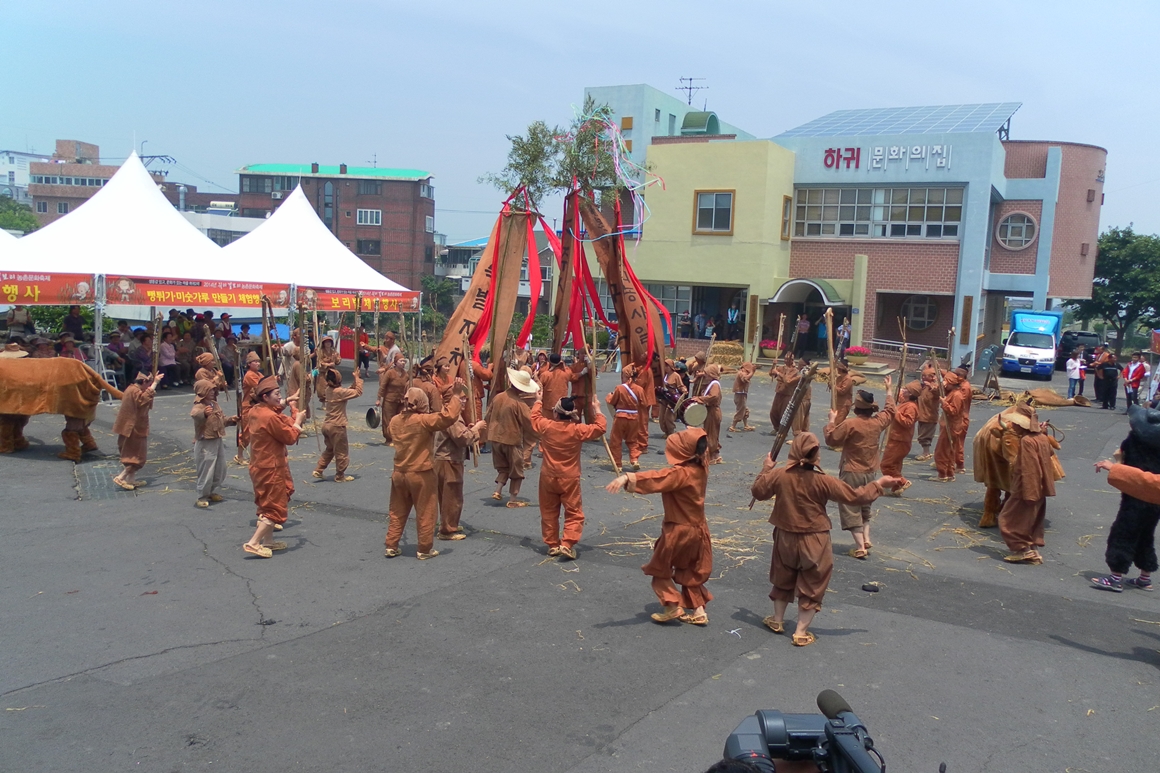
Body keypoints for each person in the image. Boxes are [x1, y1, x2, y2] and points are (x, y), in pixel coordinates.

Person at [751, 433, 900, 647]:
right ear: (816, 455)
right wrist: (879, 484)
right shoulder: (823, 481)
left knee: (783, 577)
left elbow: (758, 492)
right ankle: (800, 632)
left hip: (785, 537)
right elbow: (856, 497)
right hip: (815, 540)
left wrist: (766, 468)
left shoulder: (779, 474)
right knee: (813, 582)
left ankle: (777, 619)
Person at [606, 427, 713, 626]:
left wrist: (627, 478)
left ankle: (672, 605)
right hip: (699, 529)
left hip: (679, 529)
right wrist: (696, 433)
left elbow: (657, 478)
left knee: (659, 567)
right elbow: (702, 447)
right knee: (690, 569)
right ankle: (699, 610)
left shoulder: (681, 474)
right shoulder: (702, 467)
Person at [384, 386, 464, 560]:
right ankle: (424, 549)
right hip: (421, 472)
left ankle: (391, 544)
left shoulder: (395, 421)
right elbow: (448, 417)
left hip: (399, 472)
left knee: (397, 511)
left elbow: (390, 432)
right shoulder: (423, 421)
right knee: (426, 512)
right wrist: (456, 396)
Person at [1091, 405, 1160, 591]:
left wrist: (1115, 466)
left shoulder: (1135, 441)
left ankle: (1115, 577)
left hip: (1135, 497)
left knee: (1123, 533)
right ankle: (1145, 577)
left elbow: (1124, 458)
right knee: (1145, 535)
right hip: (1156, 500)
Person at [822, 380, 894, 558]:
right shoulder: (877, 422)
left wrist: (831, 421)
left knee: (850, 505)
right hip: (870, 471)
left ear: (856, 409)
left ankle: (860, 547)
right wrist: (889, 390)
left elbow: (831, 440)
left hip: (852, 471)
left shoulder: (850, 424)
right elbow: (890, 411)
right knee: (865, 503)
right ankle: (866, 538)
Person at [532, 393, 607, 559]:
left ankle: (552, 544)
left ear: (556, 414)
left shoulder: (546, 426)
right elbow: (600, 428)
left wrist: (538, 401)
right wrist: (597, 409)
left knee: (548, 511)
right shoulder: (577, 430)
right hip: (570, 477)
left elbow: (534, 417)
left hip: (548, 476)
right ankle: (567, 543)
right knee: (573, 512)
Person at [242, 376, 305, 558]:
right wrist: (298, 421)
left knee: (266, 505)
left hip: (259, 465)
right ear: (265, 397)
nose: (279, 397)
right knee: (275, 507)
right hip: (271, 467)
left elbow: (275, 410)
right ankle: (254, 542)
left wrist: (288, 401)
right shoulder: (269, 417)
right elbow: (290, 437)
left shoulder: (255, 410)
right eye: (276, 394)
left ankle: (268, 541)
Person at [997, 402, 1061, 564]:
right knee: (1031, 520)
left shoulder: (1027, 441)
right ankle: (1034, 552)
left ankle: (1022, 550)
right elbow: (1049, 453)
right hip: (1040, 488)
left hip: (1026, 488)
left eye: (1016, 423)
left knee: (1007, 519)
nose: (1013, 426)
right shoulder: (1042, 438)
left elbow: (1030, 469)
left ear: (1023, 424)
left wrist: (1029, 493)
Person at [434, 384, 484, 541]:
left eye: (464, 398)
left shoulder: (449, 414)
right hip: (449, 460)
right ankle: (447, 530)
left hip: (445, 459)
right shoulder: (452, 416)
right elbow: (462, 438)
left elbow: (460, 433)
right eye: (461, 398)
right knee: (452, 497)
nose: (464, 401)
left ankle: (448, 523)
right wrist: (476, 429)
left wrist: (469, 429)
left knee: (447, 496)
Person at [485, 368, 538, 505]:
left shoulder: (498, 397)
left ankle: (497, 490)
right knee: (517, 470)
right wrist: (543, 436)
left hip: (495, 438)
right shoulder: (519, 403)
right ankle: (513, 499)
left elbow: (487, 415)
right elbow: (530, 424)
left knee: (503, 467)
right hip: (511, 440)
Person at [111, 370, 164, 490]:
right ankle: (121, 477)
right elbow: (143, 400)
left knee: (131, 452)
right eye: (148, 384)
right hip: (134, 428)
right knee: (136, 455)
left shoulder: (131, 389)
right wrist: (155, 383)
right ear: (143, 381)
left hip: (131, 426)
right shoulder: (135, 391)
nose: (149, 387)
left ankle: (131, 479)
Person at [191, 377, 239, 508]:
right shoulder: (199, 406)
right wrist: (204, 413)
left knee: (220, 468)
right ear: (202, 391)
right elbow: (195, 414)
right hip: (206, 442)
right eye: (209, 390)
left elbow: (221, 420)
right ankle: (202, 495)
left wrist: (231, 420)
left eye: (213, 390)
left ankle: (210, 491)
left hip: (217, 439)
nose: (213, 392)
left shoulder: (214, 404)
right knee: (206, 469)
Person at [312, 366, 363, 482]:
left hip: (327, 425)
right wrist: (358, 378)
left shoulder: (328, 390)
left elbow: (348, 391)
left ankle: (319, 469)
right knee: (341, 452)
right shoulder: (339, 392)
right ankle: (340, 475)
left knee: (330, 449)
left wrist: (355, 381)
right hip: (337, 426)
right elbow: (358, 392)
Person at [880, 382, 919, 495]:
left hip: (900, 440)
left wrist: (896, 413)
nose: (903, 390)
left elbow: (908, 422)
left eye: (905, 389)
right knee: (895, 465)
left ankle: (902, 482)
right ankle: (896, 488)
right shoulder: (905, 403)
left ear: (910, 393)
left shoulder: (911, 406)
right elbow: (893, 400)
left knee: (886, 464)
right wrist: (889, 388)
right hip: (896, 437)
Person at [607, 364, 646, 472]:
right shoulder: (639, 389)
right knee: (632, 440)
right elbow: (644, 403)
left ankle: (618, 464)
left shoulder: (619, 388)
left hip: (621, 417)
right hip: (634, 418)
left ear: (626, 376)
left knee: (616, 441)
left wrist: (609, 397)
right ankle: (634, 460)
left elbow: (613, 401)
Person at [933, 368, 968, 481]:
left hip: (951, 426)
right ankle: (949, 473)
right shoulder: (953, 393)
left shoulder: (957, 395)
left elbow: (954, 411)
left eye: (946, 382)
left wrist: (944, 403)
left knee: (942, 451)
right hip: (951, 426)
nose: (945, 384)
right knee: (949, 451)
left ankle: (942, 474)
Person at [234, 351, 263, 465]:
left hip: (257, 406)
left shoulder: (258, 374)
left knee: (258, 432)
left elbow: (265, 382)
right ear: (249, 364)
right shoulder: (250, 375)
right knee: (246, 433)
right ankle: (239, 456)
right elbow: (261, 386)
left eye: (258, 361)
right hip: (248, 406)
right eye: (255, 362)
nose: (258, 364)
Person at [692, 363, 724, 463]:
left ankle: (711, 456)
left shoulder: (715, 385)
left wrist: (701, 398)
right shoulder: (712, 383)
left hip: (713, 411)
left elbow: (713, 396)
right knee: (712, 432)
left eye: (706, 373)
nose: (705, 375)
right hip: (711, 410)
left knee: (711, 433)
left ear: (711, 374)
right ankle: (715, 455)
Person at [376, 353, 409, 445]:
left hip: (401, 400)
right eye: (401, 361)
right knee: (388, 419)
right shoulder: (390, 373)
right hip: (389, 400)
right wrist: (378, 398)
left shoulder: (406, 374)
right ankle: (389, 438)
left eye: (404, 361)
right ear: (396, 362)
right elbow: (383, 386)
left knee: (400, 419)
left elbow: (408, 387)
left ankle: (397, 438)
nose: (403, 363)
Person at [769, 352, 799, 433]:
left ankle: (782, 431)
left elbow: (788, 380)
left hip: (787, 394)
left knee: (784, 413)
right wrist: (773, 365)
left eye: (787, 359)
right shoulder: (781, 368)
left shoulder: (794, 371)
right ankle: (776, 428)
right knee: (774, 412)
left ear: (792, 360)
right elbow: (771, 373)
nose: (785, 360)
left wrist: (779, 373)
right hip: (779, 392)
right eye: (785, 358)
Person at [914, 369, 939, 461]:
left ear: (932, 377)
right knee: (921, 434)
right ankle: (925, 452)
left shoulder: (935, 387)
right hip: (921, 415)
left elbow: (938, 394)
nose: (923, 377)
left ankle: (926, 453)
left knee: (926, 436)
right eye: (923, 375)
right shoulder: (923, 386)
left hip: (929, 415)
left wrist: (931, 387)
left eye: (926, 376)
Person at [658, 358, 687, 436]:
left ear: (671, 366)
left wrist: (684, 390)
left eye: (667, 366)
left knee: (668, 416)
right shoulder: (665, 375)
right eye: (665, 366)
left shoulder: (676, 376)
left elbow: (680, 386)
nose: (665, 368)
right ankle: (666, 431)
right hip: (664, 397)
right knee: (661, 416)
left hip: (672, 399)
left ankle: (671, 432)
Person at [568, 347, 594, 424]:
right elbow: (570, 377)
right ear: (578, 355)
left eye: (586, 353)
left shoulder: (591, 366)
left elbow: (593, 376)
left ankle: (590, 430)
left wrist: (589, 365)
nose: (584, 355)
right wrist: (581, 373)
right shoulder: (573, 366)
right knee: (575, 418)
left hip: (587, 395)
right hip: (576, 396)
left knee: (590, 417)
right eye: (582, 353)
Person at [729, 362, 756, 433]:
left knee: (744, 409)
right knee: (741, 410)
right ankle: (733, 426)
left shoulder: (743, 373)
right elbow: (745, 378)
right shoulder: (741, 373)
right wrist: (752, 372)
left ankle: (746, 425)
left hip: (742, 394)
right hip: (740, 395)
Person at [830, 361, 855, 426]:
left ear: (841, 369)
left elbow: (842, 391)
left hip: (843, 405)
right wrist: (830, 383)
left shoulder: (848, 379)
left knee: (838, 423)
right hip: (837, 403)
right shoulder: (839, 378)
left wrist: (833, 386)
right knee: (834, 420)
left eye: (838, 368)